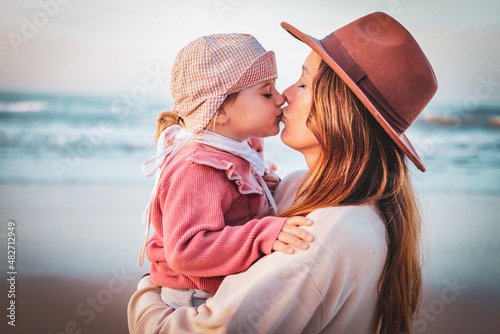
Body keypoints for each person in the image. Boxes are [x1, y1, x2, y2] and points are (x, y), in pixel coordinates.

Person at [128, 12, 438, 334]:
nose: (285, 95)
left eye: (303, 83)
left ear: (340, 108)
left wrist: (148, 292)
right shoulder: (294, 186)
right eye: (270, 89)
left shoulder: (332, 230)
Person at [137, 33, 315, 309]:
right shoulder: (199, 167)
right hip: (195, 299)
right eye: (266, 92)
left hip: (215, 289)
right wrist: (263, 234)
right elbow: (187, 251)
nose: (281, 98)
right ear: (219, 109)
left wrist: (257, 190)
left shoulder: (236, 151)